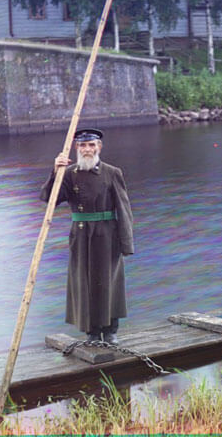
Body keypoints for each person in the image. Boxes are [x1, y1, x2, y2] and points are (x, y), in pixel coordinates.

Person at [40, 129, 134, 344]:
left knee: (109, 281)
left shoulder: (112, 173)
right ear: (77, 148)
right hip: (81, 236)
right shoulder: (69, 173)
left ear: (99, 147)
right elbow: (48, 198)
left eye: (91, 145)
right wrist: (55, 172)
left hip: (107, 235)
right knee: (84, 283)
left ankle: (110, 331)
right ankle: (91, 332)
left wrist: (126, 243)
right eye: (83, 146)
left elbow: (124, 209)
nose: (87, 149)